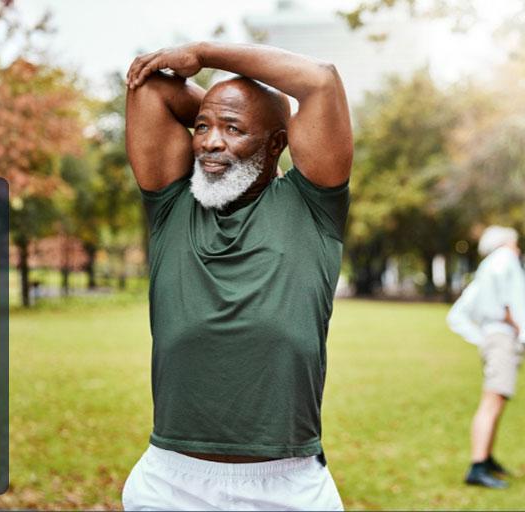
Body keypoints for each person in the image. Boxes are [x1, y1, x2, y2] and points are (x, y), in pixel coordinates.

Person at [121, 41, 352, 511]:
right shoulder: (171, 206)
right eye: (201, 127)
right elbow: (150, 89)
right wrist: (220, 102)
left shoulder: (312, 208)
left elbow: (320, 80)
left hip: (286, 487)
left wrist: (205, 55)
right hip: (172, 486)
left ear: (276, 144)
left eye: (232, 129)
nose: (209, 141)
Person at [447, 226, 525, 489]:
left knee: (497, 400)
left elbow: (458, 313)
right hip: (502, 338)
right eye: (515, 242)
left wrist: (481, 337)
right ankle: (477, 466)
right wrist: (511, 318)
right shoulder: (502, 260)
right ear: (506, 242)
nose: (517, 247)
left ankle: (486, 458)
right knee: (492, 401)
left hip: (494, 338)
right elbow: (503, 297)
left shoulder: (486, 267)